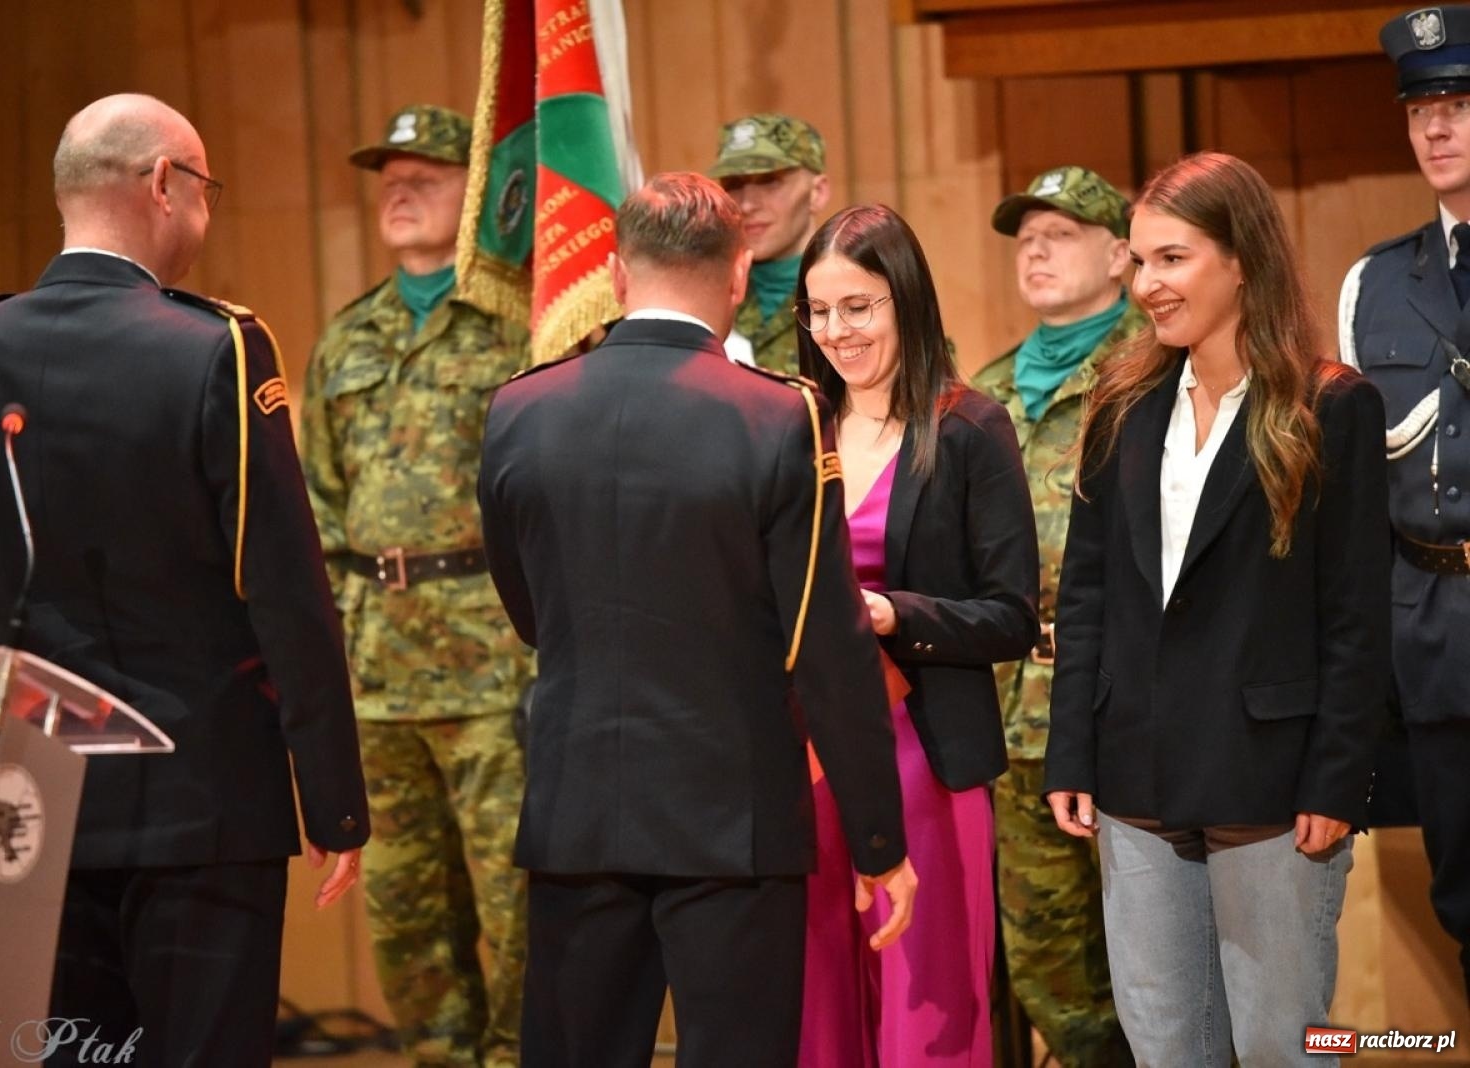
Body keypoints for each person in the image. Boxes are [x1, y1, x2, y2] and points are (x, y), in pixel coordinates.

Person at [0, 93, 369, 1066]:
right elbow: (283, 590)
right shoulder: (215, 350)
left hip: (20, 804)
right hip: (200, 803)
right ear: (166, 184)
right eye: (206, 190)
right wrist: (334, 799)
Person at [477, 172, 917, 1068]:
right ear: (739, 272)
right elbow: (824, 641)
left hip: (578, 810)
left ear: (616, 272)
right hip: (734, 820)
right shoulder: (778, 414)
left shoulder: (519, 407)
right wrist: (878, 839)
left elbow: (529, 610)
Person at [1045, 152, 1390, 1066]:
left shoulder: (1330, 407)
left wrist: (1335, 779)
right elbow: (1086, 597)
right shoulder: (1120, 402)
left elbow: (1356, 618)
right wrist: (1071, 750)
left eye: (1173, 258)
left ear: (1242, 259)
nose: (1148, 284)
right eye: (1141, 260)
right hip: (1133, 778)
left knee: (1285, 1045)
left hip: (1271, 783)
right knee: (1165, 1047)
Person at [300, 103, 532, 1067]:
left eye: (425, 174)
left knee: (521, 910)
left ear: (476, 193)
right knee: (405, 924)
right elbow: (316, 507)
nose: (399, 188)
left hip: (496, 663)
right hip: (379, 672)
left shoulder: (521, 325)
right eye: (388, 175)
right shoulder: (346, 339)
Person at [794, 204, 1039, 1067]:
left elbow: (1012, 616)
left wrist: (898, 614)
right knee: (819, 1013)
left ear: (906, 299)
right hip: (806, 759)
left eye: (858, 307)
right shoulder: (794, 429)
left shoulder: (970, 428)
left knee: (927, 1011)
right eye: (818, 312)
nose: (835, 331)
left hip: (924, 759)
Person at [971, 166, 1139, 1068]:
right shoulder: (985, 389)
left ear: (1121, 255)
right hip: (1009, 710)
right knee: (1045, 958)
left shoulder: (1159, 369)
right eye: (1026, 235)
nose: (1035, 248)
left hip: (1125, 704)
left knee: (1157, 953)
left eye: (1062, 233)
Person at [1339, 3, 1470, 1004]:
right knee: (1462, 897)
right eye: (1420, 105)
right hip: (1430, 631)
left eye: (1459, 101)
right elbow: (1356, 492)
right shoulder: (1372, 285)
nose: (1435, 126)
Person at [710, 112, 831, 371]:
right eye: (734, 185)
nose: (747, 204)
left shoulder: (858, 295)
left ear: (817, 193)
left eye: (770, 182)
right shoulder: (705, 295)